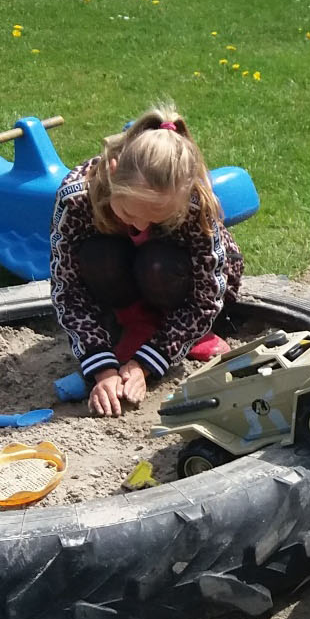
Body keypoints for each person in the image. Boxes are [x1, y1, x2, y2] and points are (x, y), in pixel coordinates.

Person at [50, 107, 243, 417]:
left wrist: (147, 362)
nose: (140, 226)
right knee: (99, 255)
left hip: (172, 279)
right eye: (128, 212)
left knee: (157, 262)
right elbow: (67, 289)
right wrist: (101, 368)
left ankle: (178, 334)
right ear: (114, 171)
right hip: (120, 280)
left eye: (159, 218)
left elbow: (207, 296)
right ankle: (133, 323)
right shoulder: (76, 197)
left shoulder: (194, 201)